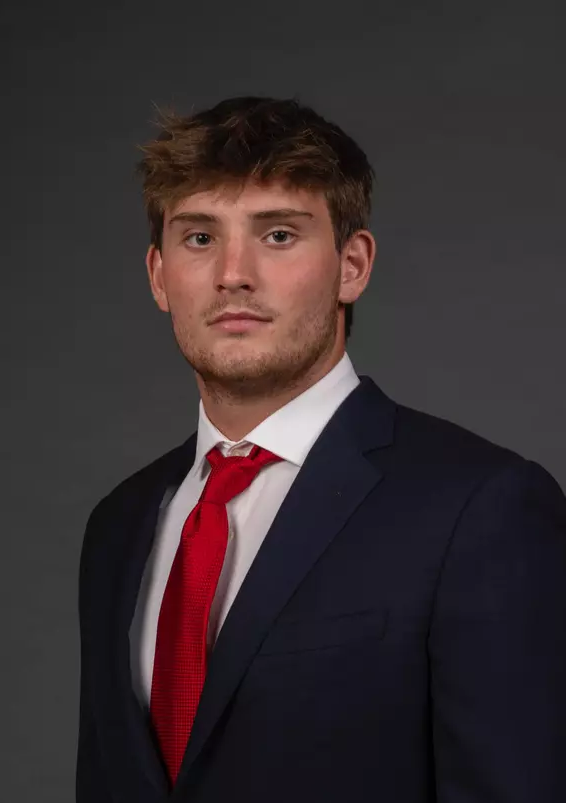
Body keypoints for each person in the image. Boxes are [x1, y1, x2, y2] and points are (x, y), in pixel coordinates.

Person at [76, 95, 566, 803]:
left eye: (277, 235)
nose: (232, 273)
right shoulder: (117, 524)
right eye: (199, 237)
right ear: (159, 275)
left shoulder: (479, 507)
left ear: (352, 264)